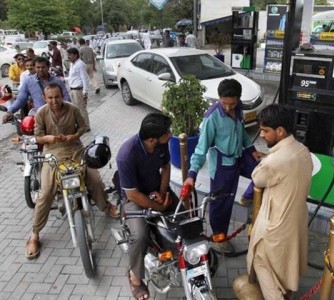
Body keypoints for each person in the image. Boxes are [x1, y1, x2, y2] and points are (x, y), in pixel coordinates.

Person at [24, 82, 118, 259]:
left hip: (76, 151)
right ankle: (35, 234)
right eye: (50, 98)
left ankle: (106, 206)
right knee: (45, 193)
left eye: (57, 96)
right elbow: (37, 137)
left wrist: (75, 136)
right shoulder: (41, 113)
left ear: (62, 95)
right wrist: (49, 138)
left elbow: (82, 127)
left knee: (95, 180)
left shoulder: (73, 109)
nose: (54, 101)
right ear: (45, 98)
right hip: (52, 155)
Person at [183, 79, 263, 254]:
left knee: (261, 172)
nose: (228, 107)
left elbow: (242, 133)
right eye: (224, 103)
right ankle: (219, 238)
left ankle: (248, 196)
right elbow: (200, 149)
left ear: (238, 99)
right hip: (222, 165)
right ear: (219, 99)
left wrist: (252, 150)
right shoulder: (211, 118)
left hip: (240, 157)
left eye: (232, 104)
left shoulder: (239, 107)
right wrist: (191, 174)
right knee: (221, 204)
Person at [247, 104, 313, 300]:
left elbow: (257, 178)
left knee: (262, 264)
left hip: (276, 225)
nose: (261, 135)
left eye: (265, 131)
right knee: (287, 267)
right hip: (297, 221)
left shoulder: (274, 162)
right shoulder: (302, 150)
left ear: (280, 131)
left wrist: (267, 160)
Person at [116, 112, 180, 300]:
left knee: (184, 215)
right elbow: (132, 194)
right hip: (134, 199)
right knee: (140, 235)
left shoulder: (162, 144)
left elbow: (166, 168)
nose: (170, 135)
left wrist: (161, 193)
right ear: (152, 140)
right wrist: (157, 207)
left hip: (156, 189)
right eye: (167, 132)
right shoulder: (126, 155)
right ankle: (134, 278)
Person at [2, 57, 70, 123]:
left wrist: (66, 114)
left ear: (48, 67)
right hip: (40, 118)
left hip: (58, 117)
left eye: (43, 67)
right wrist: (10, 112)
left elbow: (66, 98)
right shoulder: (29, 81)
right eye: (38, 67)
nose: (40, 69)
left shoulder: (57, 81)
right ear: (35, 67)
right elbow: (21, 99)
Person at [66, 47, 91, 131]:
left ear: (75, 55)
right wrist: (64, 79)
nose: (68, 56)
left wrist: (85, 92)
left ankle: (86, 126)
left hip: (78, 90)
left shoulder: (80, 64)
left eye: (70, 55)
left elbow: (85, 79)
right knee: (76, 109)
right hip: (72, 90)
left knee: (81, 109)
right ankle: (81, 125)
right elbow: (72, 77)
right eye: (68, 55)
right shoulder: (72, 64)